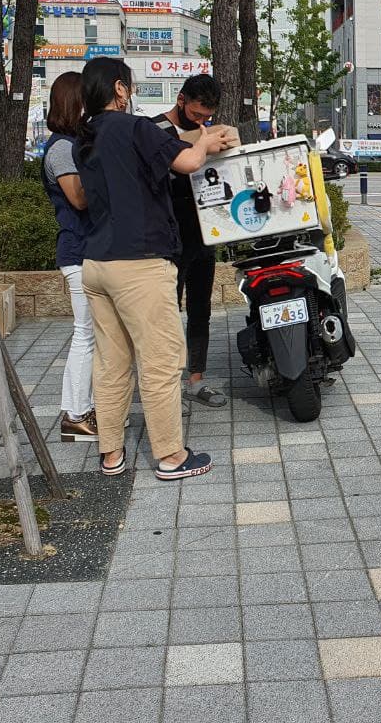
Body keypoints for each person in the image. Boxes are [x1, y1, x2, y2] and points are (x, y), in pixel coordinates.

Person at [74, 56, 239, 480]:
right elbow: (186, 163)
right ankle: (170, 457)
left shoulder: (85, 136)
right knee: (162, 361)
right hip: (140, 263)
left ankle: (111, 455)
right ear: (119, 89)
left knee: (111, 364)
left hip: (96, 263)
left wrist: (196, 140)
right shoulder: (134, 127)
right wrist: (202, 145)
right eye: (127, 84)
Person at [151, 74, 225, 410]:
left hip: (203, 234)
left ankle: (196, 379)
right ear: (180, 100)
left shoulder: (208, 133)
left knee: (201, 309)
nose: (201, 122)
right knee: (166, 313)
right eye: (196, 115)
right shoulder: (154, 131)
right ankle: (164, 384)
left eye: (206, 117)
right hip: (168, 237)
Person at [40, 72, 98, 442]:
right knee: (85, 334)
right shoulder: (62, 148)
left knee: (91, 334)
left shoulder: (74, 143)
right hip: (78, 251)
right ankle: (75, 415)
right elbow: (78, 198)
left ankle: (84, 410)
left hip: (86, 250)